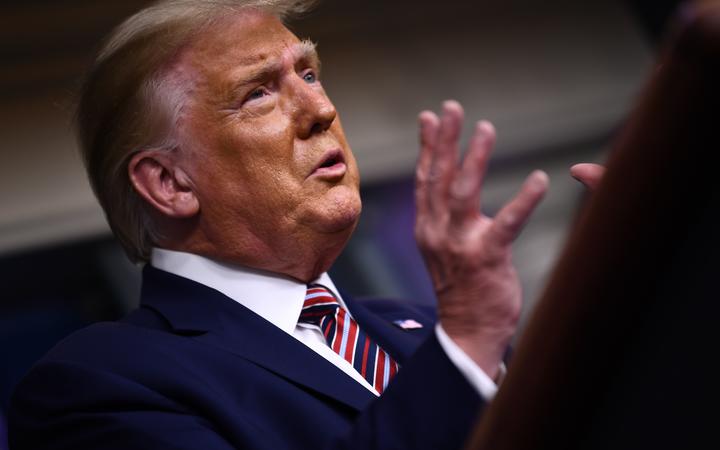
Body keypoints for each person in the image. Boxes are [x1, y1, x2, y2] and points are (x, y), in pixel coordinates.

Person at [8, 1, 602, 449]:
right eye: (259, 93)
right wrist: (469, 338)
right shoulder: (98, 386)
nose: (321, 110)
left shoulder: (417, 330)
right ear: (170, 183)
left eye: (310, 74)